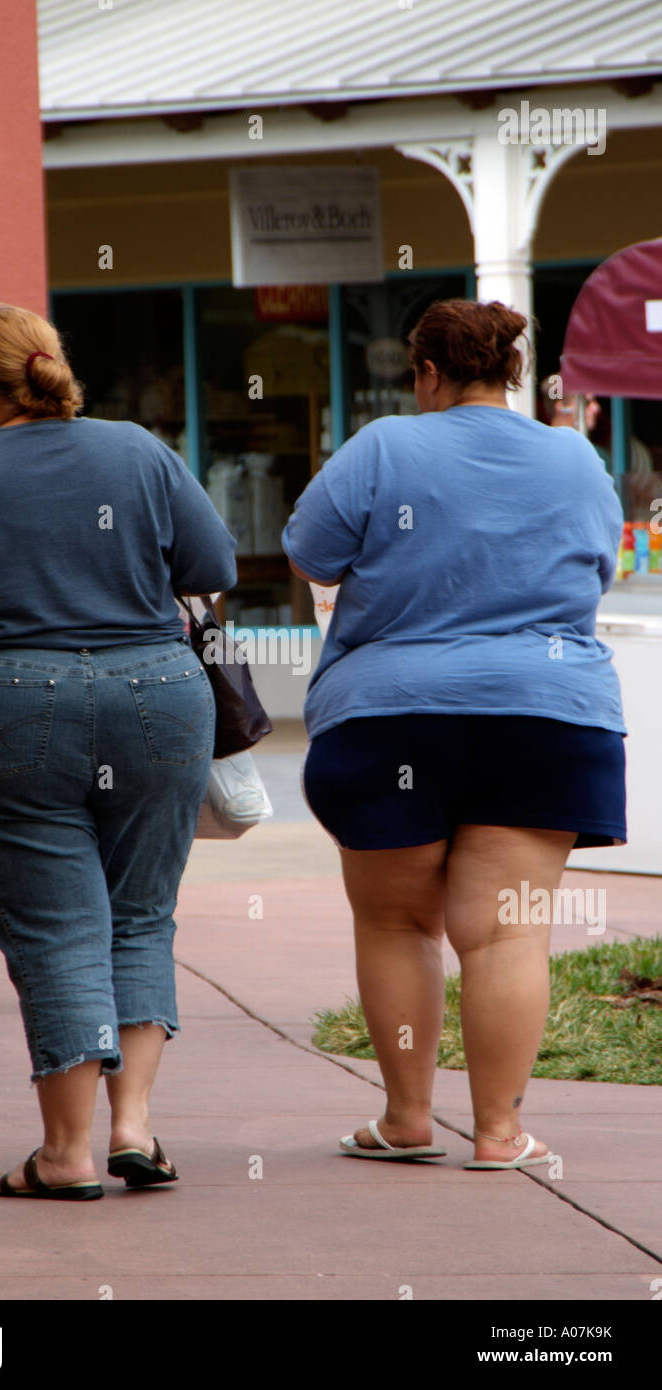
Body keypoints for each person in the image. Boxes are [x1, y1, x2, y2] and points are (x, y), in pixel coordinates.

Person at [0, 303, 236, 1199]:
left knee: (56, 924)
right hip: (155, 694)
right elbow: (215, 564)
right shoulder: (139, 450)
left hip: (5, 703)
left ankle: (66, 1154)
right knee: (140, 912)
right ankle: (132, 1131)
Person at [282, 299, 626, 1171]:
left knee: (398, 924)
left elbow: (309, 554)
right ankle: (500, 1134)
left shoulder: (386, 446)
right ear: (512, 370)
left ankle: (405, 1118)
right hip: (545, 712)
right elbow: (600, 569)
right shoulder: (574, 455)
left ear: (426, 372)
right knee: (507, 931)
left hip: (388, 713)